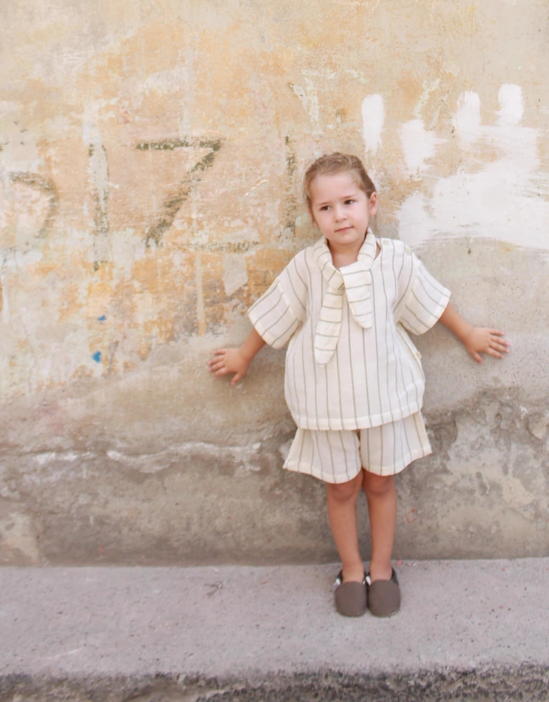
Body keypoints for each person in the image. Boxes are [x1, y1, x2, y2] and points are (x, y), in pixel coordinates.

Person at [208, 151, 509, 618]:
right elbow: (279, 314)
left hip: (383, 395)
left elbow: (429, 301)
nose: (339, 215)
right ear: (313, 215)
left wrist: (467, 332)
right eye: (325, 207)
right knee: (342, 486)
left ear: (372, 203)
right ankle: (351, 569)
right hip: (325, 399)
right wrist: (244, 354)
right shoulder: (307, 267)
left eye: (348, 202)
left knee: (381, 482)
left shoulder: (395, 260)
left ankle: (382, 568)